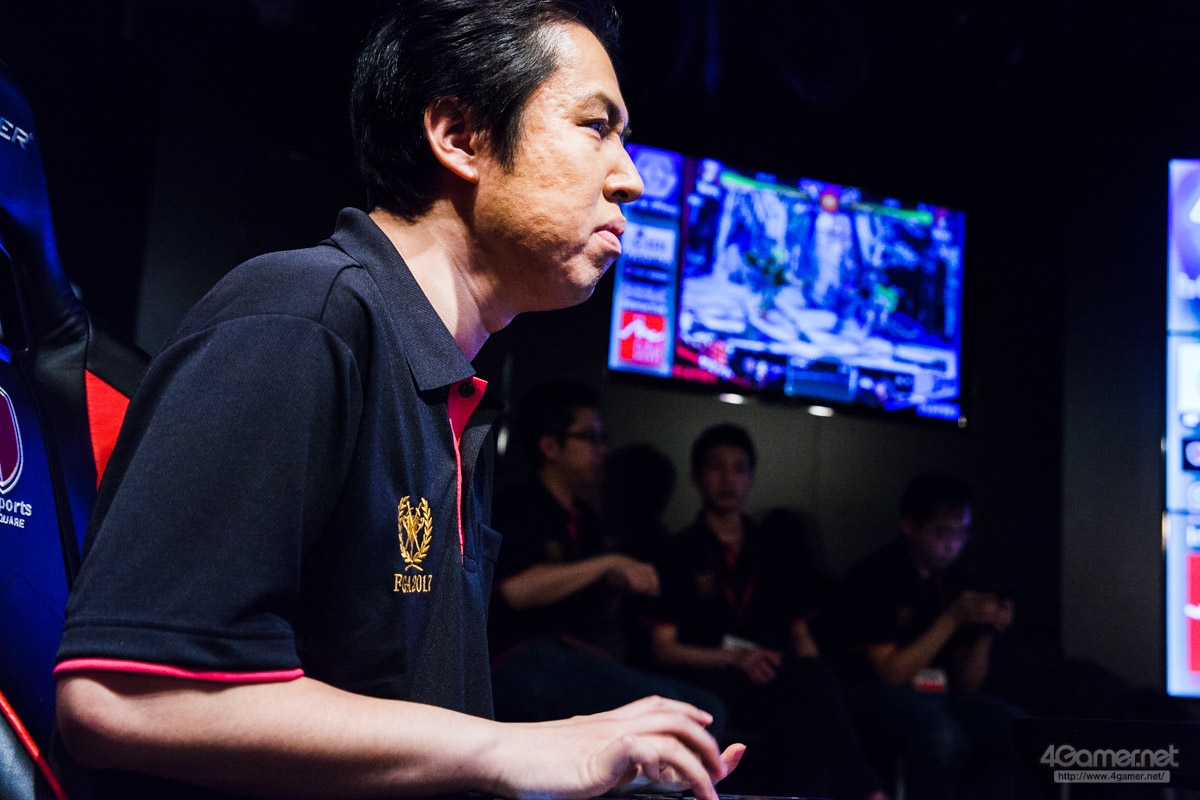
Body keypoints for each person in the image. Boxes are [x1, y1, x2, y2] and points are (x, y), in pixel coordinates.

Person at [50, 3, 743, 798]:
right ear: (459, 136)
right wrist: (509, 750)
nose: (631, 177)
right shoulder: (300, 314)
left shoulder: (449, 392)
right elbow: (122, 697)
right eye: (596, 126)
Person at [648, 423, 888, 800]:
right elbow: (664, 648)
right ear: (696, 476)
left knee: (805, 715)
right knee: (806, 695)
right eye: (716, 467)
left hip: (771, 680)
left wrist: (813, 680)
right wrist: (735, 658)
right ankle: (869, 791)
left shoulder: (774, 549)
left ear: (751, 478)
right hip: (707, 677)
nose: (727, 479)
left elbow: (801, 636)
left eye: (738, 468)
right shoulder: (678, 551)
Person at [489, 382, 727, 737]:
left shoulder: (584, 518)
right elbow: (515, 591)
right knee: (682, 715)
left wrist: (616, 585)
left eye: (603, 438)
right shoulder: (517, 504)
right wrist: (609, 564)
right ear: (550, 446)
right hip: (516, 658)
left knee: (706, 709)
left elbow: (590, 611)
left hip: (568, 656)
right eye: (590, 437)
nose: (601, 449)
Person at [839, 471, 1020, 800]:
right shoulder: (874, 574)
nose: (953, 544)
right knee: (943, 738)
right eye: (942, 532)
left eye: (962, 534)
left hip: (943, 693)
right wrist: (952, 618)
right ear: (909, 525)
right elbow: (890, 674)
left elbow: (968, 684)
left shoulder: (959, 580)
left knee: (1019, 732)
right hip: (873, 693)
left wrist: (986, 630)